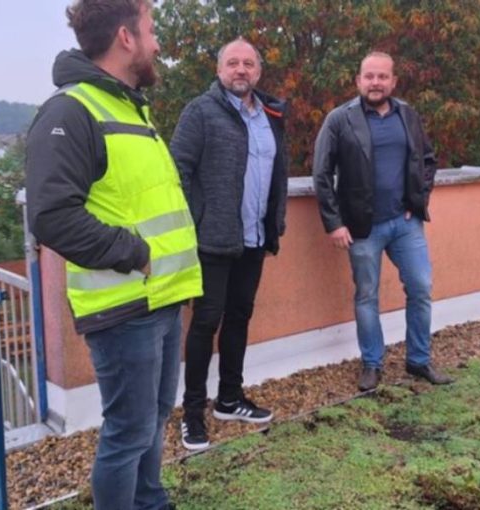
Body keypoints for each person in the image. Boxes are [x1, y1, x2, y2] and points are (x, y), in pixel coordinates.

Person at [25, 1, 203, 508]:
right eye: (151, 30)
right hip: (124, 306)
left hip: (161, 298)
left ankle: (150, 501)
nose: (157, 44)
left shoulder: (129, 108)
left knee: (154, 419)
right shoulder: (71, 111)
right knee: (128, 432)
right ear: (126, 38)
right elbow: (52, 215)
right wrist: (135, 253)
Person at [170, 38, 288, 451]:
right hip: (212, 240)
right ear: (219, 70)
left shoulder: (271, 115)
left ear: (258, 71)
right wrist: (194, 224)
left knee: (240, 317)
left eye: (249, 64)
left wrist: (276, 222)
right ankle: (192, 413)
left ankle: (230, 399)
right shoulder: (201, 111)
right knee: (206, 322)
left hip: (254, 238)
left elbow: (277, 173)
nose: (241, 70)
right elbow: (178, 171)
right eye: (233, 63)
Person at [312, 51, 453, 392]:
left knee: (420, 288)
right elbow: (321, 173)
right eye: (369, 76)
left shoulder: (407, 114)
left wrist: (418, 200)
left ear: (393, 81)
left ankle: (418, 359)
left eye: (382, 77)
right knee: (367, 296)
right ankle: (372, 364)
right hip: (362, 228)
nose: (375, 83)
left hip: (405, 225)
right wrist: (334, 223)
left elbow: (428, 161)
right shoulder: (339, 119)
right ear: (358, 80)